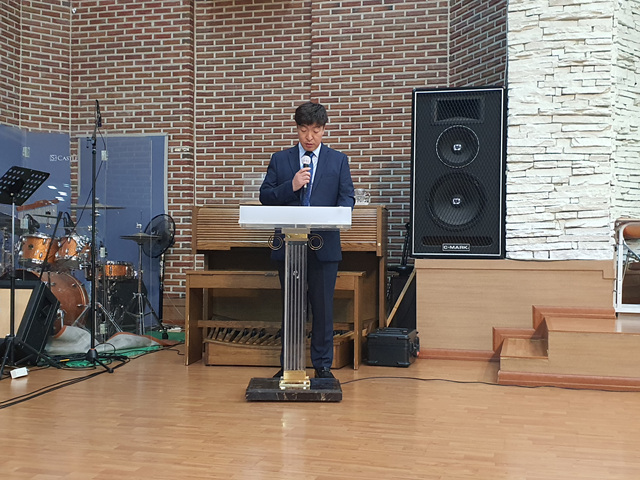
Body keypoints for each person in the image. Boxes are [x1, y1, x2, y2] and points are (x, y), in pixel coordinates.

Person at [259, 101, 355, 379]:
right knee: (292, 307)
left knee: (323, 309)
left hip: (325, 245)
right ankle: (290, 364)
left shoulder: (338, 160)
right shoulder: (281, 159)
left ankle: (323, 367)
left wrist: (340, 213)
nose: (309, 137)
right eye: (303, 130)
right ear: (297, 129)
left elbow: (347, 197)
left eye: (315, 130)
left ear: (324, 130)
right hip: (289, 245)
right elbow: (265, 196)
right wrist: (291, 186)